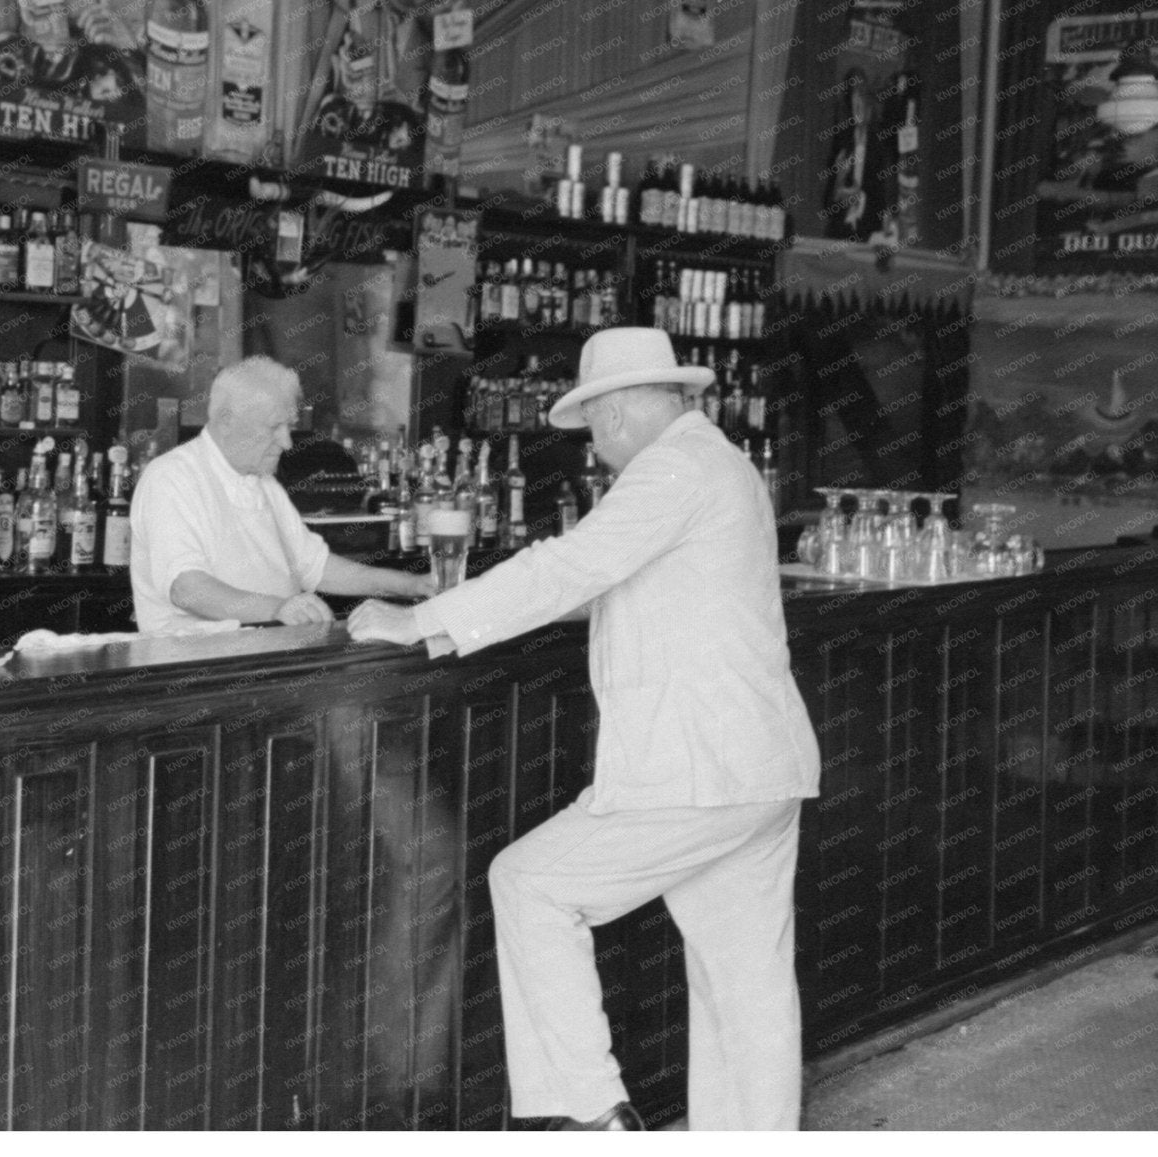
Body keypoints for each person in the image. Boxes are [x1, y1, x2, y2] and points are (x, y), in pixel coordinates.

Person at [348, 328, 821, 1130]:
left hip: (695, 769)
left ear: (622, 410)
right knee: (745, 987)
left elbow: (567, 565)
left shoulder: (670, 467)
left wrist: (422, 619)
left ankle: (591, 1115)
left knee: (529, 885)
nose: (595, 449)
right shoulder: (720, 462)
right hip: (760, 767)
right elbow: (615, 581)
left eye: (594, 427)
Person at [130, 356, 432, 633]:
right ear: (226, 421)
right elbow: (186, 588)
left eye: (289, 427)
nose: (287, 443)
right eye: (274, 427)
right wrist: (279, 608)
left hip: (266, 657)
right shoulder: (171, 477)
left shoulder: (262, 481)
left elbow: (316, 567)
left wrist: (413, 585)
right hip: (197, 672)